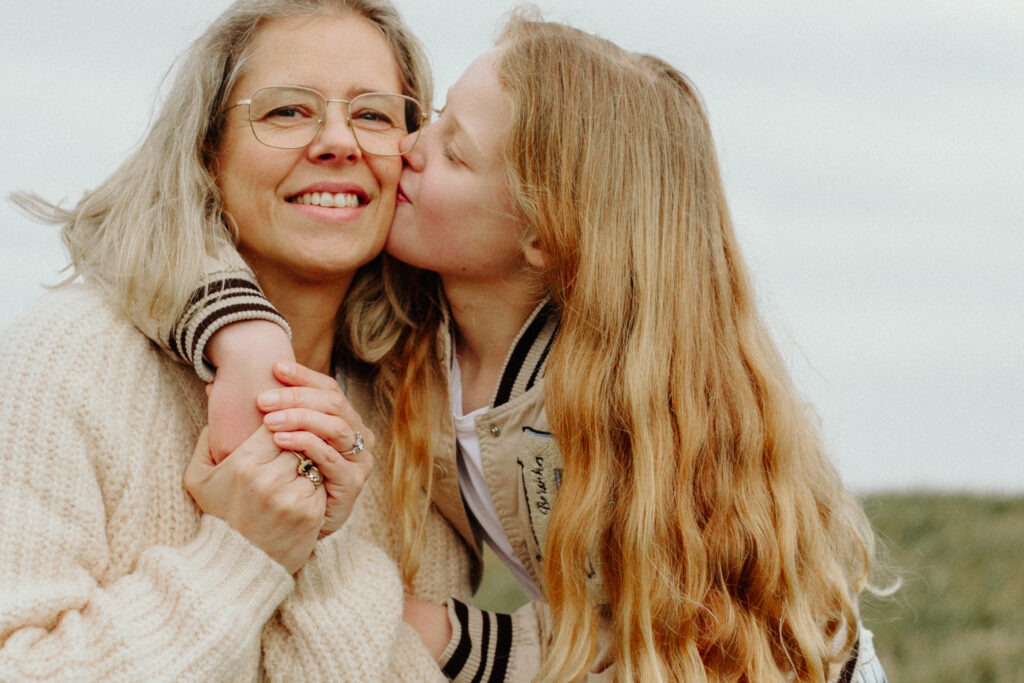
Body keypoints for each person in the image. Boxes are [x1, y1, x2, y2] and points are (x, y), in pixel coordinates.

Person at [150, 11, 889, 683]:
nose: (406, 146)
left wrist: (431, 628)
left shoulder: (617, 404)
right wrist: (242, 334)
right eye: (431, 121)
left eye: (453, 153)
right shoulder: (411, 312)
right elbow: (171, 223)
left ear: (539, 235)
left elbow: (665, 640)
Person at [0, 1, 471, 679]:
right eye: (287, 111)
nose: (338, 141)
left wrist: (321, 550)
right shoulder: (71, 357)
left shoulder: (418, 408)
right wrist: (242, 554)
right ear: (207, 151)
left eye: (373, 114)